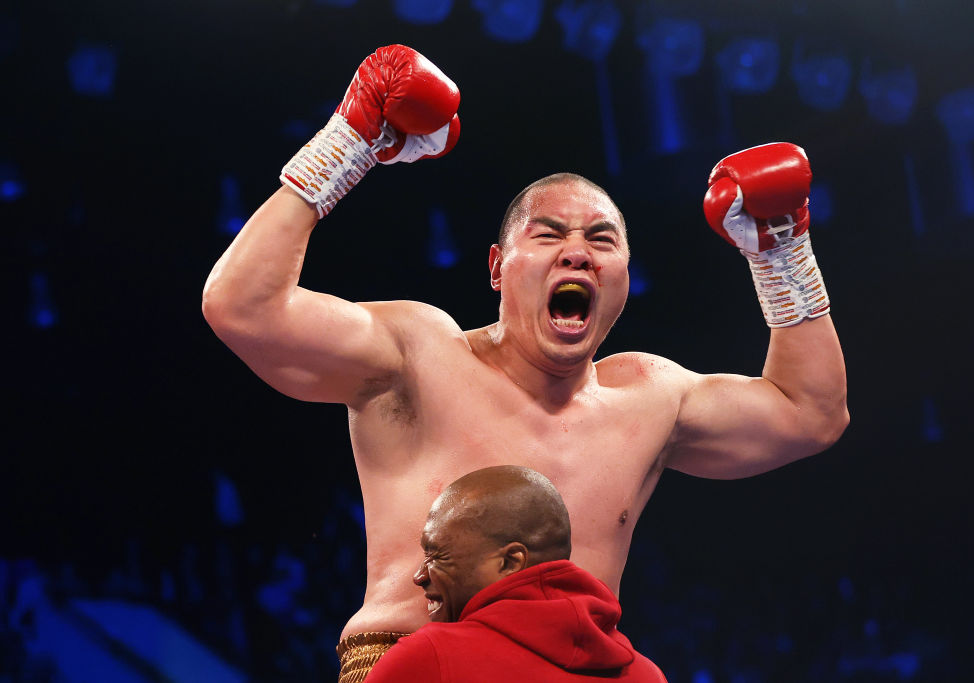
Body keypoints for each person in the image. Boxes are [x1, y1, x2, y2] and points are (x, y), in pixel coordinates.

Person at [201, 45, 849, 681]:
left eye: (601, 239)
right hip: (419, 659)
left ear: (624, 277)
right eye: (549, 234)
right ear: (497, 267)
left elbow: (812, 412)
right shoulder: (417, 353)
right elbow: (243, 306)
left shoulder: (650, 396)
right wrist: (347, 144)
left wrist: (782, 254)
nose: (578, 252)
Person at [362, 465, 667, 683]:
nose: (419, 576)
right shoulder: (647, 675)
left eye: (437, 555)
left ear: (510, 562)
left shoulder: (428, 659)